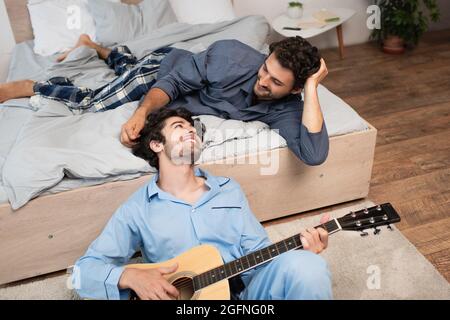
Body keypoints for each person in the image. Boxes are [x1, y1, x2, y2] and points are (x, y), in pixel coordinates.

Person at [71, 107, 332, 300]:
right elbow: (82, 272)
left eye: (192, 127)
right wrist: (129, 276)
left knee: (308, 266)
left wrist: (300, 252)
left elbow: (260, 254)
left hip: (243, 296)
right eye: (178, 127)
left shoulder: (229, 190)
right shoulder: (137, 208)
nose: (190, 130)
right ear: (156, 145)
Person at [0, 34, 329, 165]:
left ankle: (98, 48)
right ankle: (33, 86)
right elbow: (171, 82)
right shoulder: (231, 57)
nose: (263, 82)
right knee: (97, 101)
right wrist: (142, 113)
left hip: (174, 74)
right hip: (168, 69)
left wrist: (313, 87)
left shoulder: (289, 107)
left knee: (127, 71)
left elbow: (314, 155)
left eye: (276, 82)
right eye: (264, 70)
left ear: (296, 89)